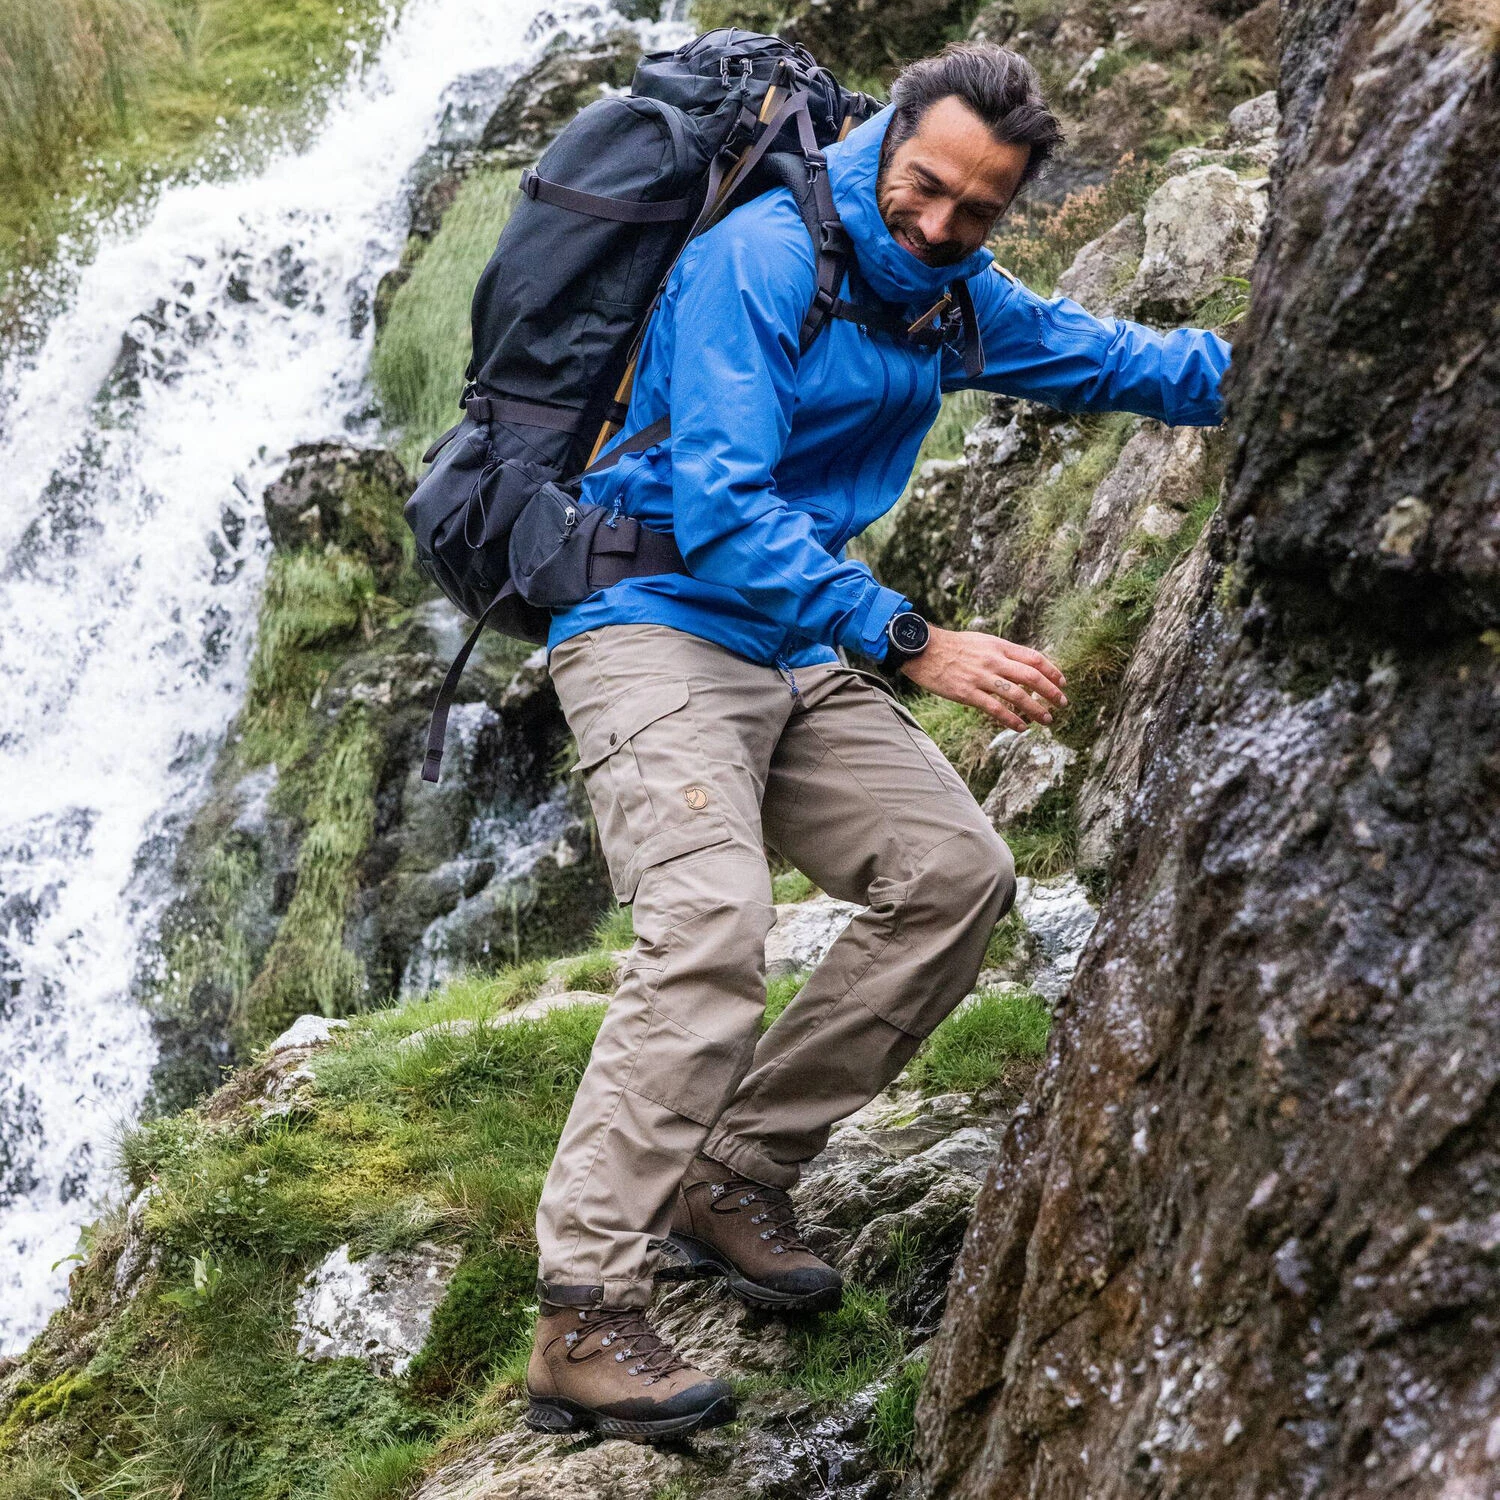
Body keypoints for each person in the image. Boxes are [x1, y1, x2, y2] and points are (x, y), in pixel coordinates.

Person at [522, 41, 1230, 1441]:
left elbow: (1113, 361)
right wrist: (912, 640)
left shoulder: (952, 294)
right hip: (651, 617)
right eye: (924, 186)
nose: (938, 222)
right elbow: (723, 509)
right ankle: (581, 1319)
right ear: (886, 138)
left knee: (956, 877)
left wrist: (1297, 365)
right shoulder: (759, 258)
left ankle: (733, 1171)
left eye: (977, 209)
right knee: (709, 928)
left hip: (791, 638)